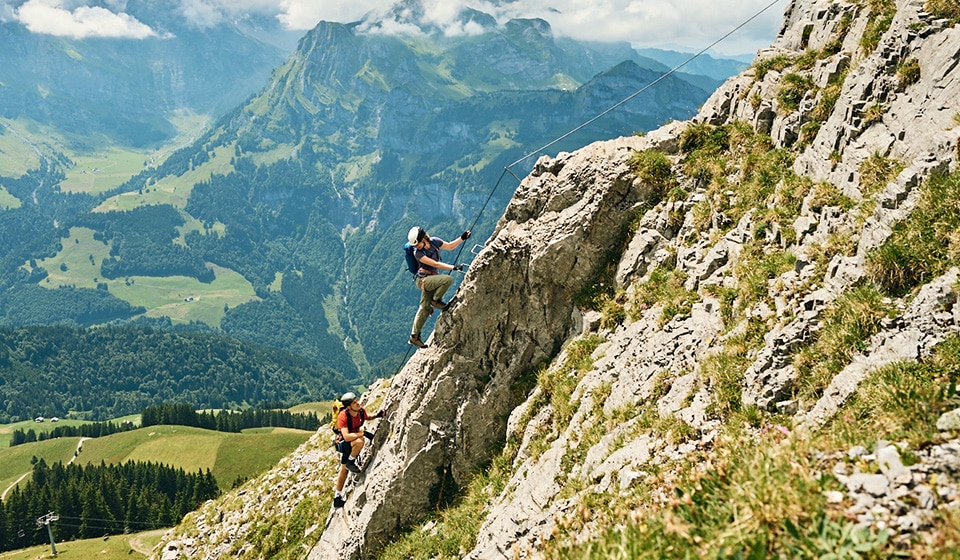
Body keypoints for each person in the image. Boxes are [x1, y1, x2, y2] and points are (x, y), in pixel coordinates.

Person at [407, 226, 470, 348]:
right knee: (447, 280)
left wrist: (462, 238)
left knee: (424, 308)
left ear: (423, 238)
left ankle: (414, 337)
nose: (416, 247)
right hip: (423, 280)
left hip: (429, 278)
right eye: (414, 246)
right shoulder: (418, 253)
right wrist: (453, 267)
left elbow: (450, 246)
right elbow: (435, 264)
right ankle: (436, 300)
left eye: (417, 244)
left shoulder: (435, 242)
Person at [333, 392, 383, 508]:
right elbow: (346, 436)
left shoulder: (360, 410)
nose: (358, 403)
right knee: (360, 442)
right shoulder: (343, 416)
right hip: (344, 443)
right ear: (348, 407)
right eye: (354, 402)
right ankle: (351, 461)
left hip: (352, 439)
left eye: (357, 400)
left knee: (344, 470)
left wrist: (378, 415)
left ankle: (337, 497)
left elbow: (367, 417)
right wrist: (363, 433)